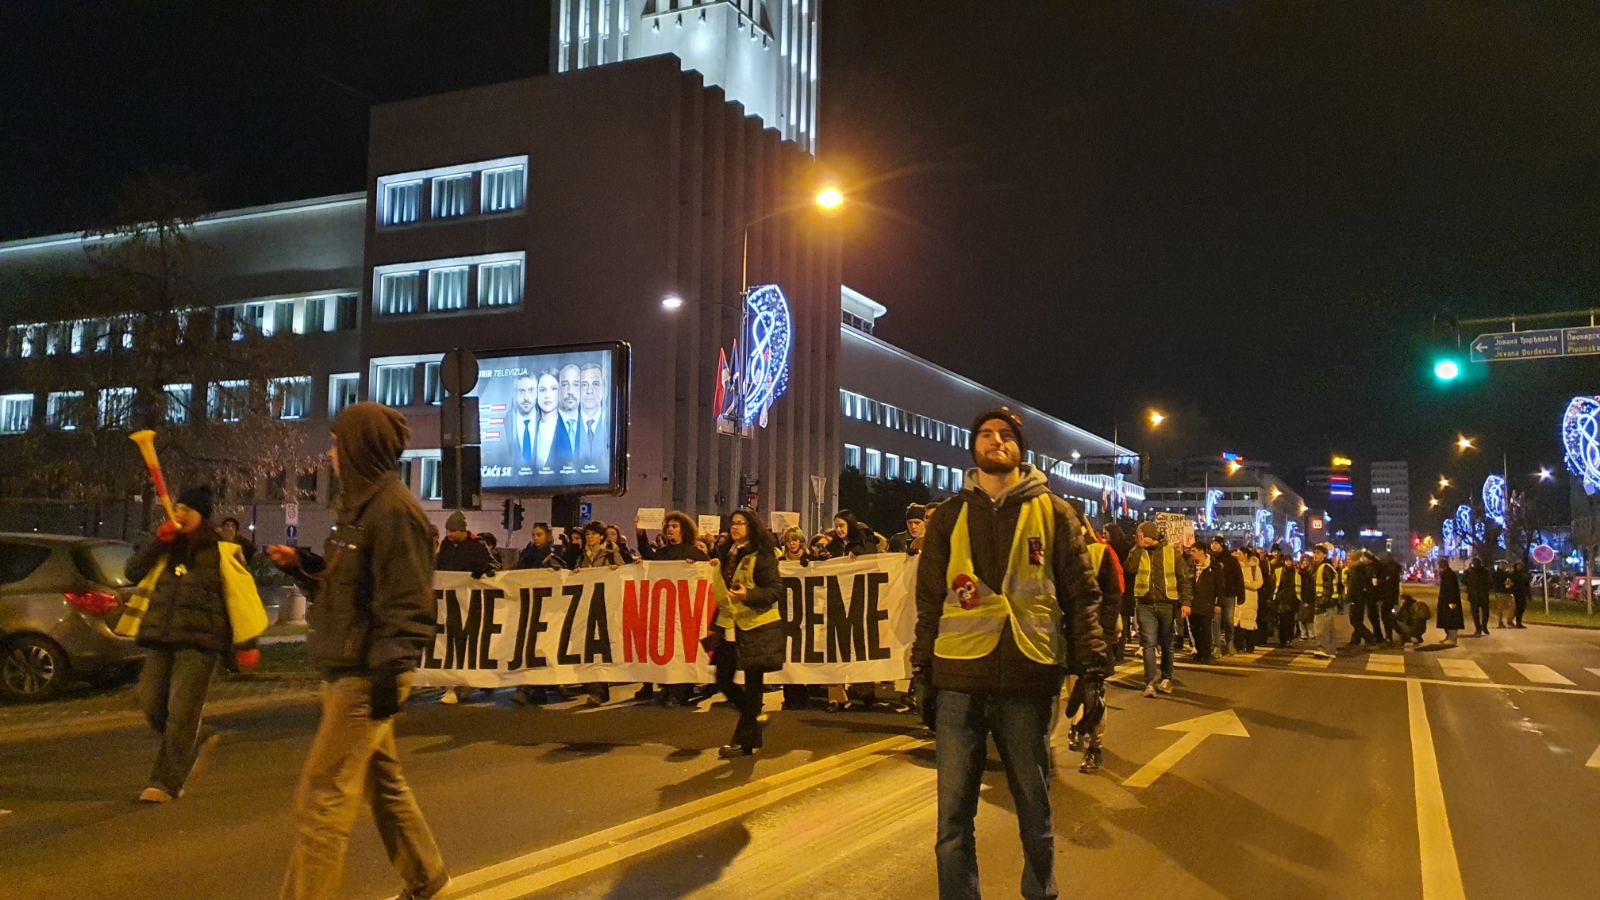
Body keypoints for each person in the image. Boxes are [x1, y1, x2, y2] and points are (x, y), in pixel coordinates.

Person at [911, 407, 1107, 900]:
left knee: (1034, 810)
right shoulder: (950, 516)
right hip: (958, 681)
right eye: (985, 434)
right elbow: (930, 599)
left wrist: (1092, 672)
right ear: (973, 446)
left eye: (1006, 436)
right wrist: (923, 672)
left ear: (1021, 449)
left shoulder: (1055, 513)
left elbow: (1082, 596)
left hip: (1028, 677)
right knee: (952, 819)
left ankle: (1040, 891)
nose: (995, 441)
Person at [268, 402, 447, 900]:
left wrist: (390, 669)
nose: (330, 453)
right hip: (351, 663)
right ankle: (426, 875)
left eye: (337, 443)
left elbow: (407, 599)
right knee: (381, 782)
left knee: (320, 801)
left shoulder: (394, 511)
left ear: (359, 447)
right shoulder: (360, 508)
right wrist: (303, 566)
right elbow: (347, 590)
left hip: (366, 675)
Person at [125, 486, 245, 803]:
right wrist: (157, 542)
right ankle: (194, 737)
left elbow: (240, 597)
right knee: (150, 702)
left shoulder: (220, 551)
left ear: (201, 515)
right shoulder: (166, 546)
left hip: (201, 641)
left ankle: (166, 782)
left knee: (181, 712)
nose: (178, 515)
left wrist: (245, 644)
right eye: (176, 508)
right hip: (161, 636)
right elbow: (132, 572)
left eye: (186, 510)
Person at [711, 507, 786, 757]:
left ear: (751, 527)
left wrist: (749, 595)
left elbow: (775, 590)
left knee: (754, 687)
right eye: (733, 523)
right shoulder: (728, 554)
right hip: (730, 627)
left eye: (741, 523)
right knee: (722, 679)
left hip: (757, 628)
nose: (735, 527)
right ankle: (756, 718)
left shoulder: (761, 555)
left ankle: (744, 743)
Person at [1065, 522, 1123, 772]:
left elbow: (1113, 595)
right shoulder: (1048, 548)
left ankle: (1093, 749)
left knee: (1093, 694)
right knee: (1069, 695)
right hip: (1061, 637)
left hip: (1093, 636)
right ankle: (1074, 732)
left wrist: (1105, 633)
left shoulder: (1100, 552)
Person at [434, 511, 498, 705]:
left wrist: (483, 570)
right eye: (448, 531)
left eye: (453, 531)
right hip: (450, 602)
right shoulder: (446, 546)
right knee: (452, 643)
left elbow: (493, 566)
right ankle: (454, 684)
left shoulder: (476, 546)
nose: (450, 534)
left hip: (470, 603)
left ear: (463, 530)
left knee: (469, 642)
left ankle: (466, 683)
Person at [1123, 521, 1192, 696]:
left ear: (1151, 536)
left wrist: (1186, 602)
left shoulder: (1172, 553)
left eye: (1141, 536)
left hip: (1167, 604)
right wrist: (1138, 548)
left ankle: (1167, 677)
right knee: (1148, 643)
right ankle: (1150, 682)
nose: (1139, 539)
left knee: (1167, 643)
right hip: (1144, 604)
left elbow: (1183, 579)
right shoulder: (1138, 552)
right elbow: (1128, 569)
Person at [1187, 544, 1223, 663]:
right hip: (1193, 604)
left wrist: (1218, 604)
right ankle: (1199, 651)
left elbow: (1220, 587)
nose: (1191, 553)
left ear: (1202, 552)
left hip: (1207, 603)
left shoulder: (1214, 567)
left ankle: (1207, 653)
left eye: (1194, 551)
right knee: (1195, 629)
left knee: (1206, 629)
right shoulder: (1190, 566)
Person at [1209, 536, 1242, 658]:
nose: (1214, 546)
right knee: (1215, 622)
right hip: (1214, 596)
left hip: (1229, 594)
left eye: (1216, 543)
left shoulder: (1231, 560)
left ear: (1222, 544)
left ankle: (1229, 643)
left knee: (1229, 621)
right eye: (1212, 543)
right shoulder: (1210, 559)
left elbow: (1238, 577)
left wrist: (1240, 593)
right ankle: (1216, 646)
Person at [1311, 545, 1340, 659]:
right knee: (1329, 628)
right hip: (1330, 603)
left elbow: (1327, 587)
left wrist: (1322, 602)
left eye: (1318, 553)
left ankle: (1323, 649)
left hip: (1325, 603)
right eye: (1314, 552)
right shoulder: (1328, 566)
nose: (1315, 555)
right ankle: (1331, 650)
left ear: (1324, 555)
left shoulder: (1324, 567)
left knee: (1321, 627)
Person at [1234, 547, 1262, 652]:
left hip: (1250, 599)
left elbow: (1259, 583)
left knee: (1249, 623)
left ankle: (1250, 646)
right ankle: (1238, 646)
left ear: (1246, 555)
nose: (1237, 555)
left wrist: (1246, 584)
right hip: (1239, 598)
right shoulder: (1236, 567)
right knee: (1237, 622)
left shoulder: (1255, 568)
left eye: (1239, 553)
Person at [1271, 552, 1301, 647]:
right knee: (1283, 621)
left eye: (1290, 561)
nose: (1288, 563)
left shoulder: (1296, 572)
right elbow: (1274, 584)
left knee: (1291, 621)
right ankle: (1283, 640)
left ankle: (1289, 639)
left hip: (1292, 599)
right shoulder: (1279, 571)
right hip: (1282, 599)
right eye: (1287, 561)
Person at [1437, 562, 1464, 646]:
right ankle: (1449, 637)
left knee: (1451, 619)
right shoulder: (1447, 574)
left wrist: (1451, 602)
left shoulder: (1449, 575)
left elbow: (1450, 589)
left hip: (1450, 602)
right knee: (1447, 619)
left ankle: (1452, 639)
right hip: (1448, 601)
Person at [1465, 556, 1492, 636]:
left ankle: (1482, 627)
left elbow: (1490, 582)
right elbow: (1463, 580)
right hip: (1476, 595)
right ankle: (1479, 628)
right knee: (1477, 613)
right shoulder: (1470, 572)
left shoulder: (1485, 571)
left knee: (1483, 613)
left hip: (1481, 594)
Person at [1509, 559, 1531, 628]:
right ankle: (1516, 621)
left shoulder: (1524, 575)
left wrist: (1529, 594)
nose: (1519, 567)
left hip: (1522, 593)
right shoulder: (1512, 574)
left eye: (1520, 566)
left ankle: (1517, 621)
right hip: (1516, 593)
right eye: (1518, 566)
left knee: (1522, 607)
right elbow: (1509, 583)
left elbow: (1527, 585)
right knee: (1518, 607)